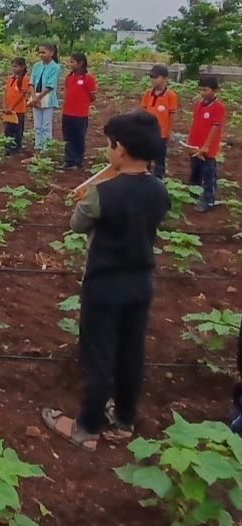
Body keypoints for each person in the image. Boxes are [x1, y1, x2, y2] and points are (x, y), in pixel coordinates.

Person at [42, 111, 169, 450]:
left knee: (98, 355)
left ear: (121, 149)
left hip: (104, 285)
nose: (107, 150)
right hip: (141, 283)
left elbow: (77, 223)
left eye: (109, 144)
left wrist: (88, 196)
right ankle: (125, 419)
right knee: (131, 351)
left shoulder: (102, 194)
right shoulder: (159, 191)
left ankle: (86, 427)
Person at [188, 74, 226, 213]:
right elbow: (195, 125)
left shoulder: (218, 107)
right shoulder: (198, 104)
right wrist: (190, 143)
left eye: (206, 90)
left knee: (208, 174)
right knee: (195, 172)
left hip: (207, 149)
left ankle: (208, 200)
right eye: (201, 90)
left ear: (215, 90)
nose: (203, 93)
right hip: (194, 146)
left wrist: (206, 146)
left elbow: (215, 127)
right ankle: (194, 194)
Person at [140, 64, 179, 179]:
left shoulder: (170, 96)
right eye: (151, 77)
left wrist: (169, 132)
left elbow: (172, 115)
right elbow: (143, 111)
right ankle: (144, 178)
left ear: (165, 79)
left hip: (161, 134)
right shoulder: (148, 93)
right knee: (145, 158)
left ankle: (158, 180)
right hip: (147, 132)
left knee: (159, 159)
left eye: (156, 77)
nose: (152, 80)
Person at [62, 53, 98, 170]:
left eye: (72, 62)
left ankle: (77, 161)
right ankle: (68, 160)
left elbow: (92, 96)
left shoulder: (88, 78)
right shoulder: (69, 77)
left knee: (78, 137)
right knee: (67, 137)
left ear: (80, 63)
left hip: (80, 114)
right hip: (67, 112)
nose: (70, 64)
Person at [29, 43, 61, 151]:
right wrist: (34, 97)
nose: (41, 54)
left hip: (47, 97)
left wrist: (38, 98)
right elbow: (31, 82)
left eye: (44, 52)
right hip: (35, 96)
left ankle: (46, 149)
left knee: (46, 125)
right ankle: (38, 146)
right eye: (40, 52)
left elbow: (50, 86)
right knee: (37, 125)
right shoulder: (37, 66)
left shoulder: (55, 67)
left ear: (51, 53)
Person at [3, 58, 31, 155]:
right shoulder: (11, 78)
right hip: (8, 109)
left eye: (16, 66)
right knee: (8, 129)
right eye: (13, 66)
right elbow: (7, 93)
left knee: (17, 130)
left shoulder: (24, 79)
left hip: (18, 110)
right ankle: (8, 147)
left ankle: (16, 148)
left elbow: (22, 95)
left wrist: (12, 106)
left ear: (23, 67)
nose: (14, 68)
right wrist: (5, 106)